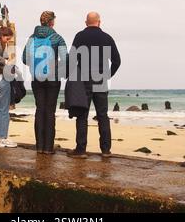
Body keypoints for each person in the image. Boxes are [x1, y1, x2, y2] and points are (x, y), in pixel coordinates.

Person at [67, 12, 121, 159]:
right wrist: (108, 75)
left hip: (83, 80)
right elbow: (117, 61)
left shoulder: (79, 36)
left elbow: (71, 59)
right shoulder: (107, 38)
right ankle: (105, 150)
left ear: (86, 22)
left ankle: (81, 149)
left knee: (82, 115)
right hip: (101, 80)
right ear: (99, 22)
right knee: (103, 115)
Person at [22, 11, 68, 155]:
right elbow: (65, 60)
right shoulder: (57, 38)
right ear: (52, 22)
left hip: (37, 79)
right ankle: (48, 148)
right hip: (53, 79)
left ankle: (39, 147)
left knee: (39, 109)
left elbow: (24, 59)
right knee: (50, 111)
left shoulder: (31, 38)